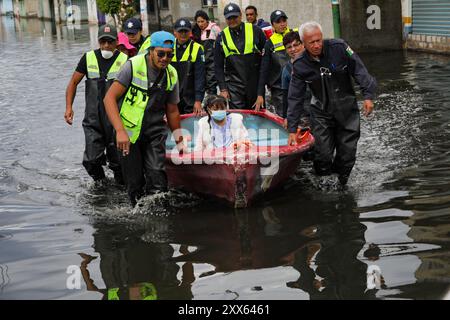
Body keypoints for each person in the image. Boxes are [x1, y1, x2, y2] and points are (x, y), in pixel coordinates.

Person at [287, 22, 376, 186]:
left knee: (347, 155)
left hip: (347, 110)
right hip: (321, 112)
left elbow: (359, 70)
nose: (316, 45)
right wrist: (292, 128)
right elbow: (295, 97)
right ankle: (322, 183)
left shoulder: (339, 47)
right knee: (323, 155)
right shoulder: (300, 64)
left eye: (319, 40)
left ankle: (341, 183)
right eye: (311, 42)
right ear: (303, 44)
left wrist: (368, 96)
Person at [103, 31, 186, 207]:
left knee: (158, 178)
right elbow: (108, 99)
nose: (165, 58)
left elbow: (172, 110)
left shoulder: (172, 74)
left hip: (154, 132)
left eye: (169, 55)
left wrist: (179, 138)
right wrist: (120, 131)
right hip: (128, 134)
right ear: (151, 51)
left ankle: (159, 220)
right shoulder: (132, 66)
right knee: (135, 184)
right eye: (161, 54)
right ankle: (138, 216)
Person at [64, 24, 128, 185]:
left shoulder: (125, 61)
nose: (106, 45)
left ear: (116, 43)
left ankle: (121, 186)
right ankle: (102, 184)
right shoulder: (88, 58)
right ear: (98, 41)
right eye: (103, 41)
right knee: (91, 160)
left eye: (110, 41)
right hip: (93, 120)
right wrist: (69, 107)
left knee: (119, 162)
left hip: (116, 121)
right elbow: (73, 82)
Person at [214, 3, 266, 110]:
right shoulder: (221, 37)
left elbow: (265, 61)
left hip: (255, 85)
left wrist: (261, 92)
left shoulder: (256, 31)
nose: (232, 20)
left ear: (241, 16)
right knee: (238, 118)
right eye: (229, 18)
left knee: (257, 120)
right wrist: (223, 89)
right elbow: (218, 66)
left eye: (235, 17)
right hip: (234, 87)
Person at [255, 10, 298, 116]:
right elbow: (264, 69)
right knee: (284, 118)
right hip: (279, 90)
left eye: (284, 20)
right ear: (272, 24)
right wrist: (260, 94)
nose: (282, 24)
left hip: (299, 84)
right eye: (278, 22)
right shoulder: (269, 43)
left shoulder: (296, 35)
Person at [171, 18, 206, 115]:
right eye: (180, 31)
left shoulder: (197, 48)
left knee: (190, 128)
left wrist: (198, 100)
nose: (183, 34)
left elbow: (200, 77)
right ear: (174, 32)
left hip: (190, 100)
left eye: (185, 31)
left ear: (190, 32)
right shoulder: (168, 46)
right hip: (171, 99)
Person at [281, 31, 308, 129]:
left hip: (319, 111)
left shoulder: (314, 62)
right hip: (301, 115)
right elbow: (285, 96)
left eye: (296, 45)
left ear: (303, 44)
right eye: (289, 47)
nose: (293, 49)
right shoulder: (286, 71)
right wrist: (286, 117)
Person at [192, 10, 221, 95]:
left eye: (202, 21)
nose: (200, 24)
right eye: (198, 22)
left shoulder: (214, 29)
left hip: (212, 62)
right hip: (200, 62)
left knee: (211, 84)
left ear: (207, 20)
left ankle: (212, 103)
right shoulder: (195, 30)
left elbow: (221, 43)